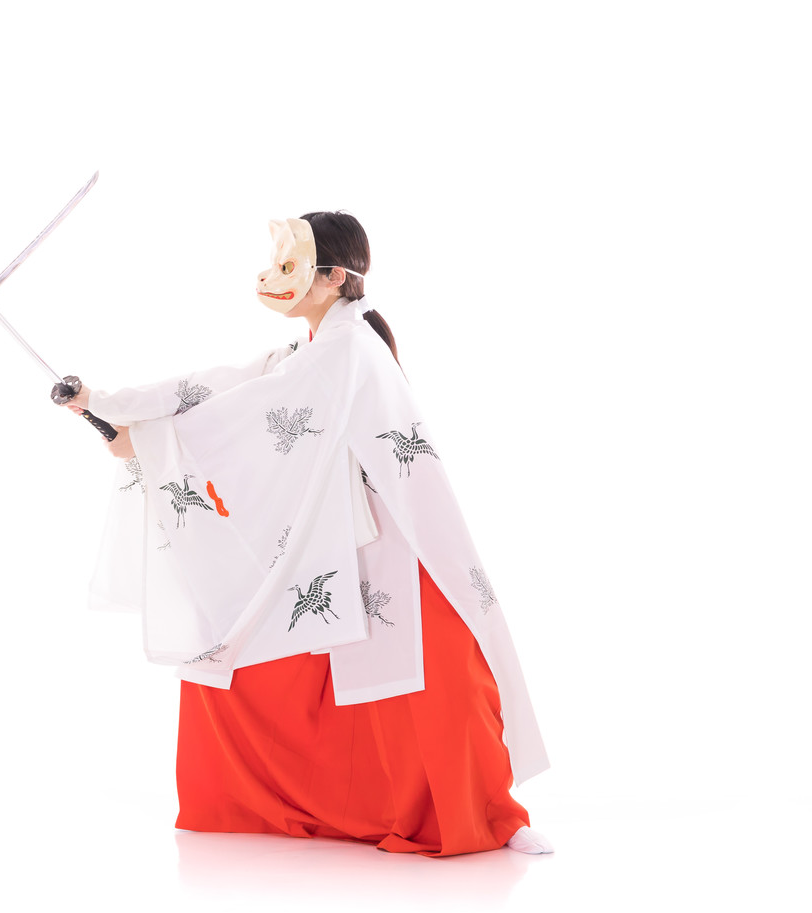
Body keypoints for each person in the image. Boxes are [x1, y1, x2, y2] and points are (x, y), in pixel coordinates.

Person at [70, 211, 551, 856]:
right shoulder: (313, 349)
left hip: (394, 540)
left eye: (293, 266)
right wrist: (107, 404)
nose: (274, 278)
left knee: (447, 682)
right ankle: (386, 807)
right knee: (274, 663)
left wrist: (149, 439)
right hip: (341, 538)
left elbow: (255, 411)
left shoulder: (347, 349)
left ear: (333, 278)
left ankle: (493, 816)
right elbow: (226, 384)